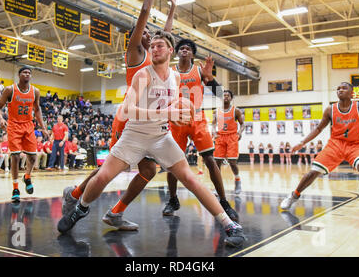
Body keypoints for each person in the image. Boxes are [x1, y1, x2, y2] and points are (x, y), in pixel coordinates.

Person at [57, 30, 245, 247]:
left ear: (170, 50)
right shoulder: (143, 74)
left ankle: (229, 224)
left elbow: (172, 106)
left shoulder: (175, 77)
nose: (155, 49)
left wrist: (184, 111)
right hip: (134, 135)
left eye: (160, 45)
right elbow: (128, 110)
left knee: (192, 179)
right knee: (101, 177)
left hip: (161, 136)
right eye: (152, 46)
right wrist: (169, 114)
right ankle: (80, 208)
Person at [60, 0, 177, 230]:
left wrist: (172, 9)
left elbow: (167, 36)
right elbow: (144, 13)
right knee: (113, 171)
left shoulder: (157, 57)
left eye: (153, 37)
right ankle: (79, 197)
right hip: (129, 120)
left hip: (146, 123)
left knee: (146, 171)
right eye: (145, 33)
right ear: (136, 39)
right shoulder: (136, 54)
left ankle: (101, 206)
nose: (149, 34)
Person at [280, 82, 359, 223]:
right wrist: (302, 142)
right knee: (312, 172)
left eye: (344, 88)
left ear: (351, 92)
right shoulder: (330, 109)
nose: (340, 90)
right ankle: (294, 195)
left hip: (354, 145)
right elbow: (318, 129)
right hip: (335, 145)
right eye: (338, 88)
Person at [163, 38, 238, 221]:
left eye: (188, 48)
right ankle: (173, 199)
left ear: (193, 54)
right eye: (181, 48)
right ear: (176, 52)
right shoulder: (170, 72)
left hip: (197, 119)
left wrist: (210, 78)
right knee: (172, 165)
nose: (184, 50)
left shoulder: (199, 70)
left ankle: (224, 201)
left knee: (210, 160)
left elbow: (220, 94)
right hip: (177, 121)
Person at [0, 66, 49, 202]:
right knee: (15, 156)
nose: (27, 74)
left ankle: (27, 176)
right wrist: (1, 119)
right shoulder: (10, 90)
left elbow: (37, 110)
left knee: (32, 157)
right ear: (19, 75)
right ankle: (15, 188)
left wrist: (43, 128)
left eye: (29, 73)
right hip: (13, 125)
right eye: (24, 72)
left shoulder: (35, 91)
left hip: (28, 125)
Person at [212, 89, 244, 194]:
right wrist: (214, 132)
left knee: (232, 162)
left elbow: (242, 124)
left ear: (231, 98)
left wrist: (239, 132)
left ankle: (237, 180)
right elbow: (213, 124)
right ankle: (218, 186)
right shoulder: (217, 111)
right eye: (224, 95)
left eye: (228, 96)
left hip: (231, 137)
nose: (225, 97)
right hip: (220, 137)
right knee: (217, 163)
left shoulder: (236, 110)